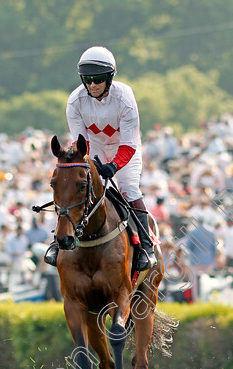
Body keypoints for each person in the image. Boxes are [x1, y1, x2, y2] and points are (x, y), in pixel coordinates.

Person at [44, 46, 156, 271]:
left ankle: (146, 247)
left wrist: (114, 166)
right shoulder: (75, 101)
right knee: (75, 187)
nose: (92, 85)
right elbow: (80, 142)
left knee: (128, 188)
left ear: (110, 77)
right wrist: (91, 165)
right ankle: (59, 241)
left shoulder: (124, 98)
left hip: (124, 148)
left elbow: (128, 143)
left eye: (98, 79)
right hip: (92, 147)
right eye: (87, 79)